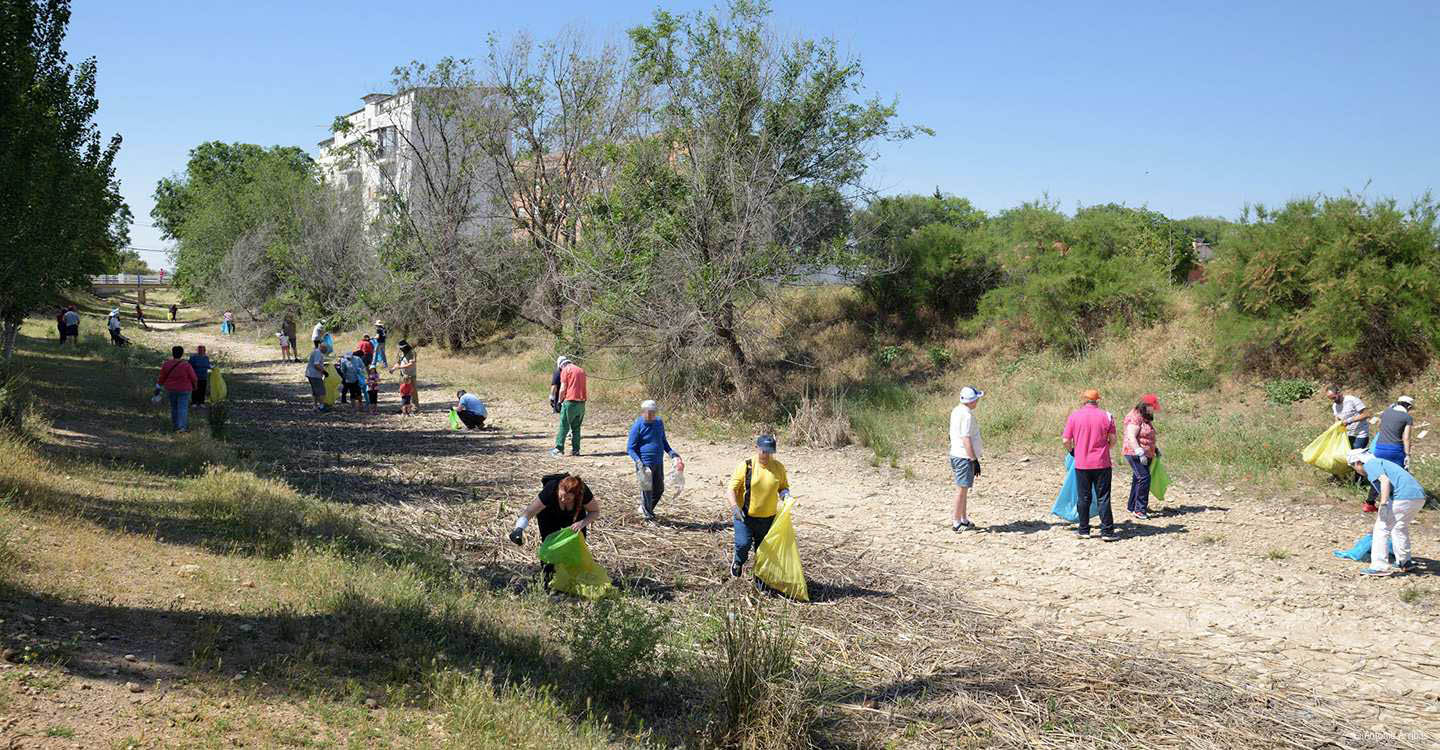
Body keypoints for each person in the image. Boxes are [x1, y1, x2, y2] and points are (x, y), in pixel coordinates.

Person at [508, 473, 600, 587]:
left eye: (568, 497)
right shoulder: (550, 490)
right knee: (550, 547)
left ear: (575, 495)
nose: (562, 499)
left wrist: (582, 523)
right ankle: (548, 581)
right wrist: (519, 529)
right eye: (561, 495)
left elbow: (595, 512)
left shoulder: (583, 492)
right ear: (559, 489)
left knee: (577, 547)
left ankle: (574, 581)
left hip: (576, 518)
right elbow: (529, 512)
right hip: (548, 515)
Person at [1348, 449, 1425, 576]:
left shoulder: (1370, 464)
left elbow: (1384, 481)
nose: (1356, 471)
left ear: (1357, 462)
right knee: (1399, 527)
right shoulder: (1381, 462)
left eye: (1353, 467)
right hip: (1418, 497)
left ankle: (1379, 566)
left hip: (1404, 496)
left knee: (1381, 528)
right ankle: (1405, 562)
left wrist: (1383, 504)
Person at [728, 435, 790, 581]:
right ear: (756, 448)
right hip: (744, 517)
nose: (766, 455)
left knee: (763, 553)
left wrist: (786, 495)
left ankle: (760, 580)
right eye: (763, 451)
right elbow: (731, 489)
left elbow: (783, 487)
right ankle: (738, 561)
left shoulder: (778, 468)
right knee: (743, 544)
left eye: (769, 452)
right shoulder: (746, 466)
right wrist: (734, 507)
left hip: (767, 520)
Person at [1062, 389, 1119, 541]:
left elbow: (1065, 440)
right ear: (1097, 401)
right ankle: (1107, 532)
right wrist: (1105, 448)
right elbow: (1113, 439)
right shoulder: (1107, 415)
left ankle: (1084, 530)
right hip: (1102, 463)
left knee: (1083, 497)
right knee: (1103, 497)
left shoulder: (1074, 416)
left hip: (1082, 464)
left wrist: (1073, 451)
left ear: (1083, 400)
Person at [627, 400, 683, 521]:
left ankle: (645, 509)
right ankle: (648, 516)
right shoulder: (638, 426)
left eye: (654, 412)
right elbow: (630, 448)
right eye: (649, 412)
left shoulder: (658, 423)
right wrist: (638, 462)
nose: (652, 415)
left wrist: (672, 454)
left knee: (659, 489)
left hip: (658, 462)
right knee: (647, 490)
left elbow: (663, 441)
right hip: (644, 464)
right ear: (643, 412)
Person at [947, 386, 984, 531]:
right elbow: (966, 438)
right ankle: (956, 521)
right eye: (976, 399)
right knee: (961, 489)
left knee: (964, 488)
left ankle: (963, 518)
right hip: (963, 457)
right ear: (971, 400)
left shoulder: (957, 410)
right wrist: (973, 459)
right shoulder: (967, 416)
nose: (978, 401)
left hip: (956, 454)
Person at [1122, 393, 1161, 520]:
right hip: (1134, 452)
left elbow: (1147, 435)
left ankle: (1132, 506)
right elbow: (1131, 436)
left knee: (1138, 478)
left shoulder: (1145, 416)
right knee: (1144, 478)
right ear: (1146, 405)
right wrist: (1139, 451)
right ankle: (1139, 510)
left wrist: (1154, 449)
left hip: (1145, 452)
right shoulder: (1134, 417)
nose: (1154, 410)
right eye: (1152, 407)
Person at [1327, 385, 1370, 490]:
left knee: (1357, 458)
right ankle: (1343, 478)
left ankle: (1359, 483)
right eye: (1330, 399)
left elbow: (1366, 414)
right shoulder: (1335, 406)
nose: (1333, 400)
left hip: (1360, 434)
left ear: (1339, 393)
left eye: (1334, 397)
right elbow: (1337, 418)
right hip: (1347, 435)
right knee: (1345, 457)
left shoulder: (1352, 400)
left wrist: (1349, 421)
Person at [155, 345, 198, 432]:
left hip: (171, 389)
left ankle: (175, 425)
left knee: (174, 408)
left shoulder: (166, 364)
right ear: (182, 354)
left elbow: (162, 377)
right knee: (183, 408)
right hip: (184, 389)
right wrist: (195, 386)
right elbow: (194, 378)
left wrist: (158, 386)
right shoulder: (186, 365)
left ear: (172, 353)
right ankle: (181, 427)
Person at [551, 357, 588, 456]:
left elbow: (563, 388)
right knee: (576, 428)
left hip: (570, 402)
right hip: (581, 403)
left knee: (564, 426)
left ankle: (559, 449)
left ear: (561, 365)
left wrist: (559, 401)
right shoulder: (581, 370)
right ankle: (576, 450)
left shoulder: (565, 370)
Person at [1373, 396, 1414, 468]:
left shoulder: (1386, 412)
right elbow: (1406, 438)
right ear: (1409, 407)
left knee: (1382, 473)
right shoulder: (1407, 417)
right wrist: (1407, 455)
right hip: (1395, 450)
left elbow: (1379, 425)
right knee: (1400, 474)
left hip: (1379, 448)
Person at [389, 340, 419, 409]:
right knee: (404, 392)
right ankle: (404, 408)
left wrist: (399, 367)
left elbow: (411, 364)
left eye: (402, 347)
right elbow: (398, 362)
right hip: (403, 376)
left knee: (413, 392)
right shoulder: (400, 353)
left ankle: (415, 408)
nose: (401, 349)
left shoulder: (412, 353)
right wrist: (393, 369)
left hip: (411, 375)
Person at [304, 341, 329, 412]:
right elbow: (316, 364)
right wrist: (324, 372)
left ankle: (315, 406)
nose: (326, 350)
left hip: (310, 374)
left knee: (315, 391)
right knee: (321, 391)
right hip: (314, 375)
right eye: (326, 349)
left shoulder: (316, 352)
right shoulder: (318, 353)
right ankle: (321, 406)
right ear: (322, 347)